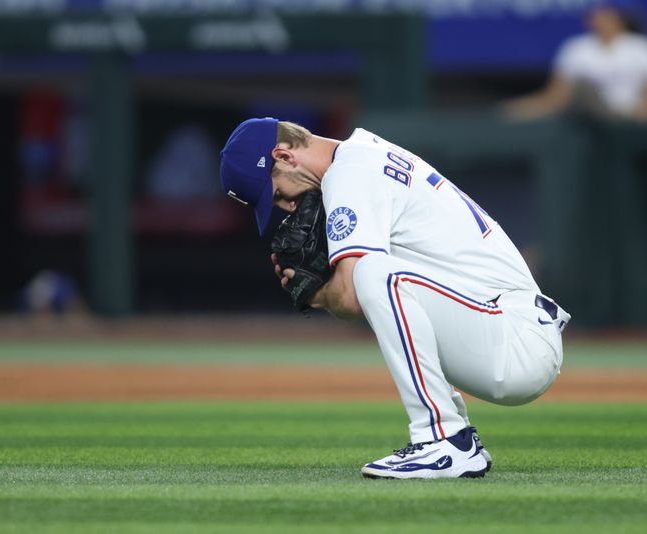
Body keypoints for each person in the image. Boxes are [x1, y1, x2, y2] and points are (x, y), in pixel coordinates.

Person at [220, 118, 570, 479]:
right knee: (377, 272)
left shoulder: (349, 173)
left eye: (276, 193)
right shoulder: (364, 153)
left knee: (374, 273)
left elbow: (352, 296)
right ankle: (456, 437)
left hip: (513, 337)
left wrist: (318, 296)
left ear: (284, 156)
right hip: (504, 324)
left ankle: (444, 440)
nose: (286, 207)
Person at [502, 0, 647, 121]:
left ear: (618, 17)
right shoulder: (576, 48)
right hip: (586, 120)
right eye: (594, 15)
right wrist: (520, 109)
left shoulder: (642, 48)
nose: (597, 19)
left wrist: (646, 125)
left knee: (584, 87)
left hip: (630, 117)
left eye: (604, 14)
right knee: (583, 88)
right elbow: (555, 98)